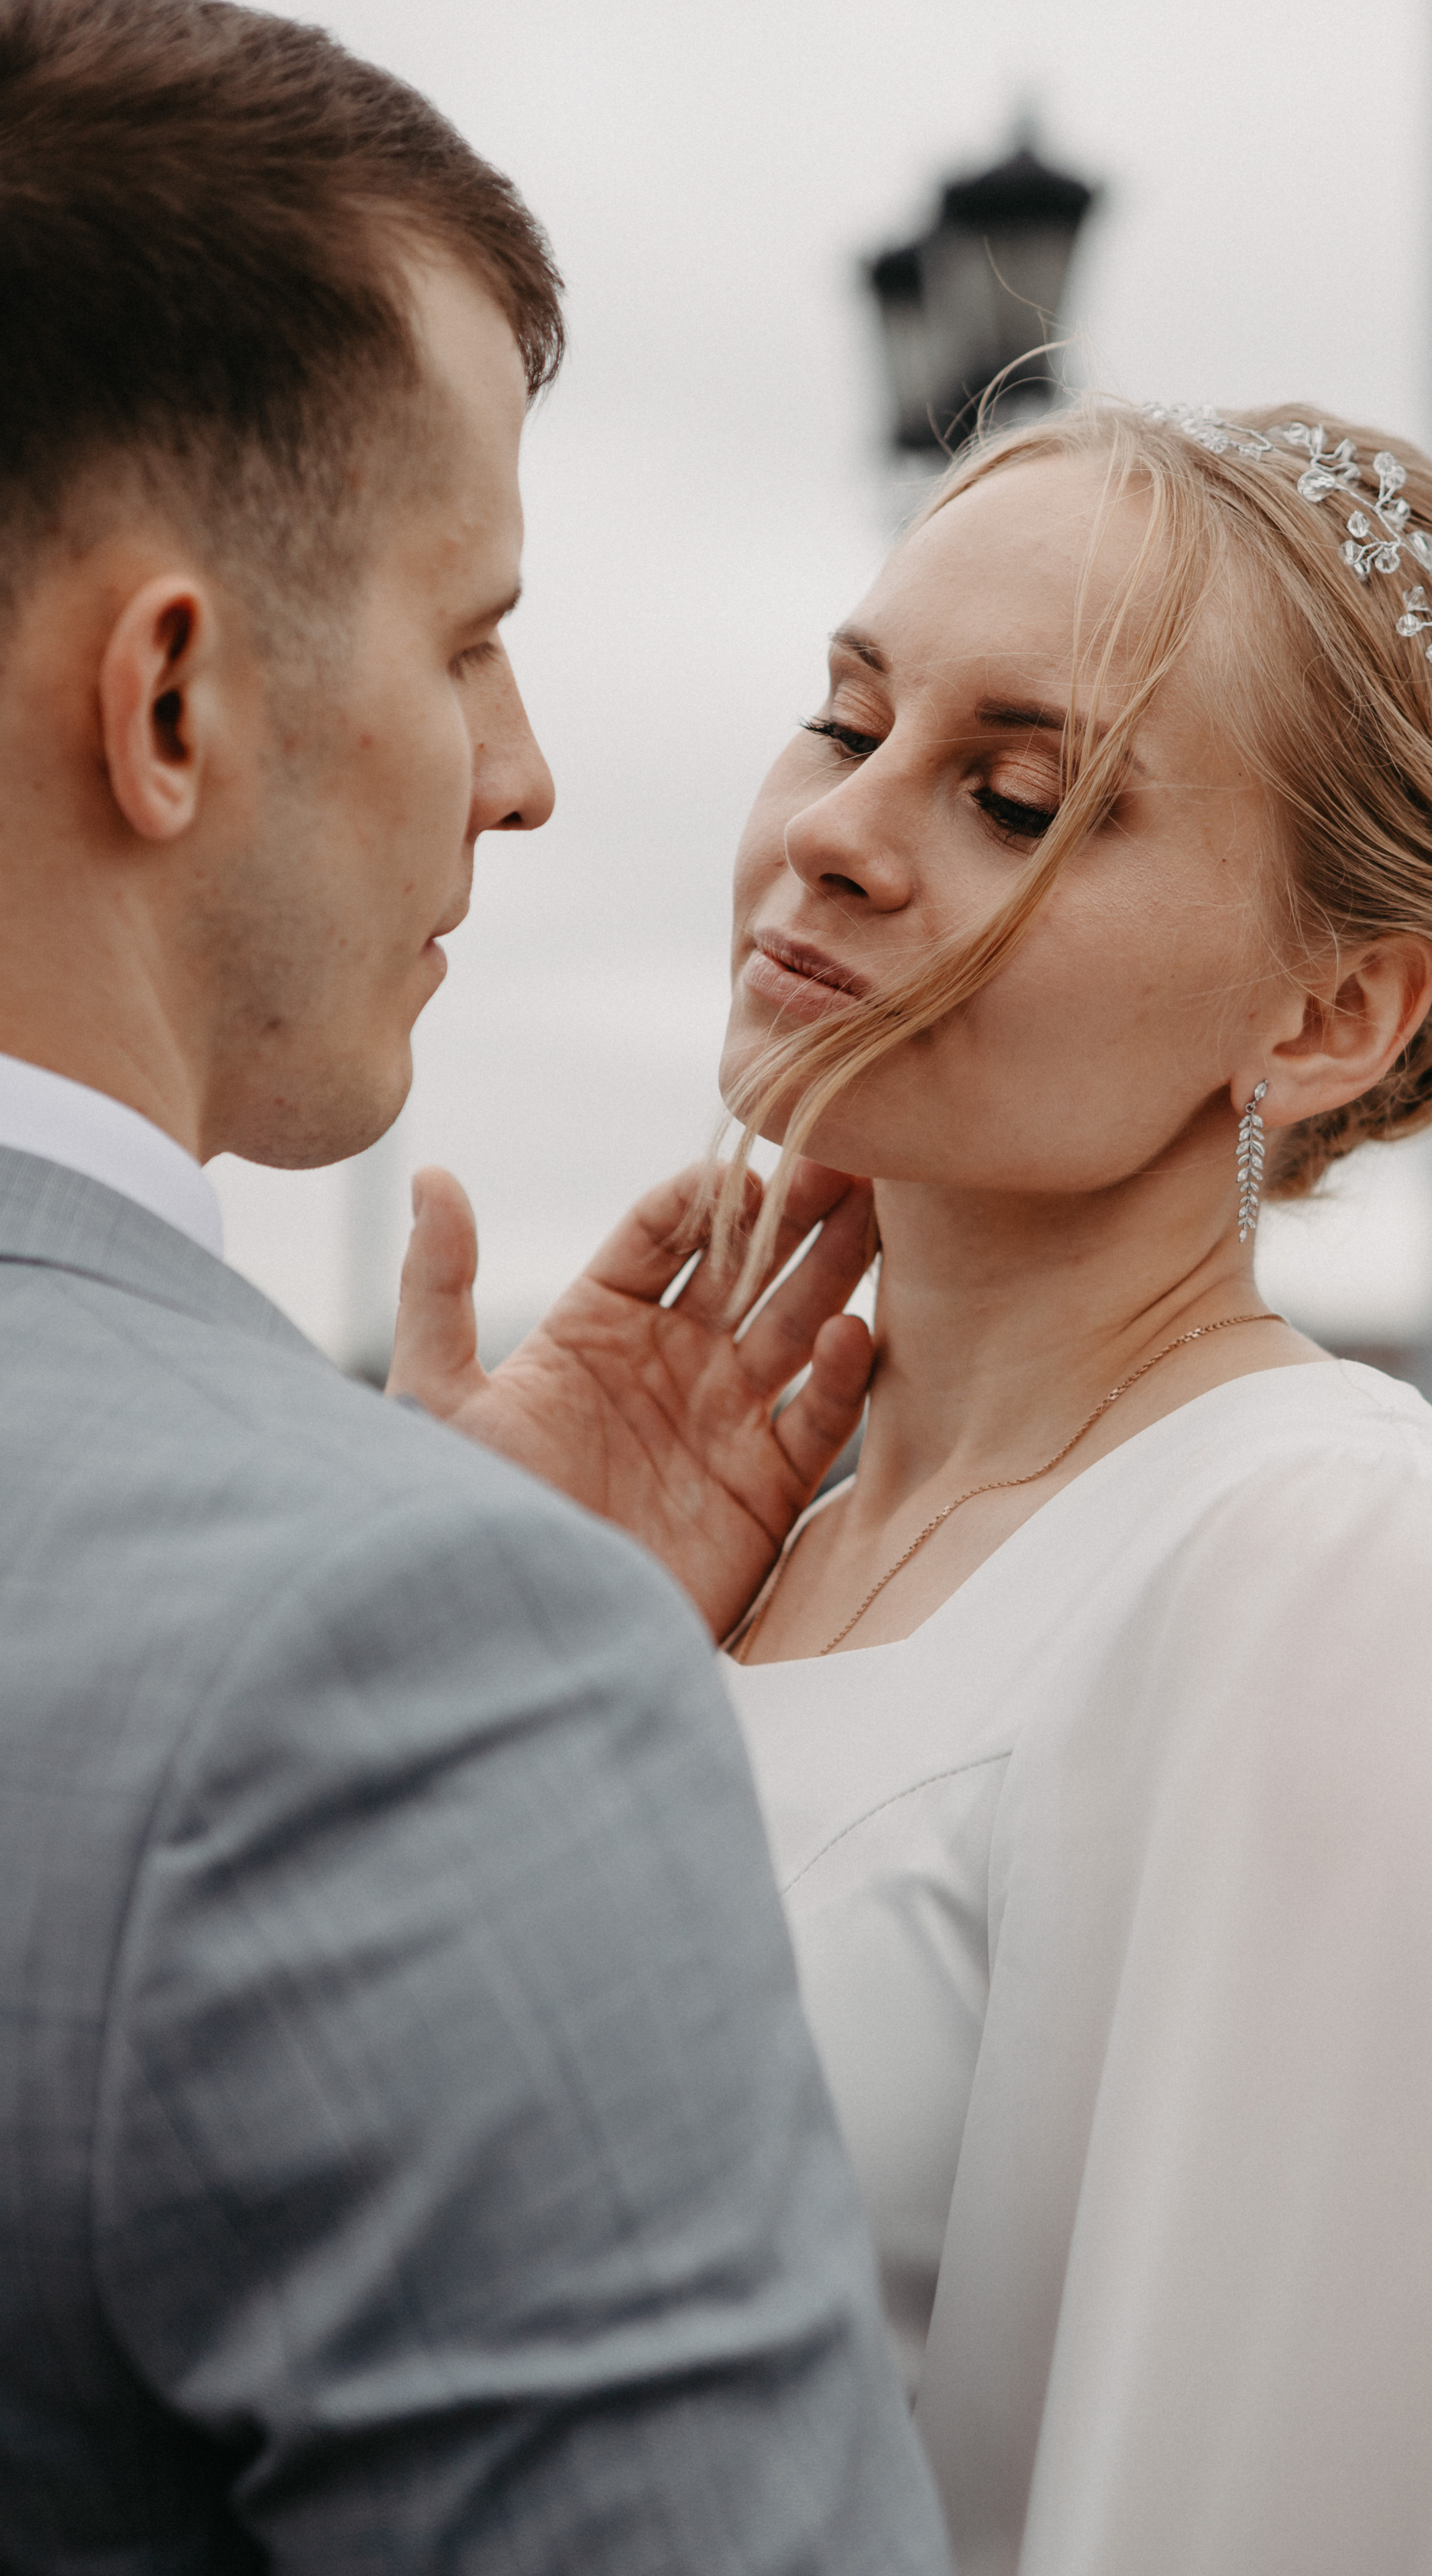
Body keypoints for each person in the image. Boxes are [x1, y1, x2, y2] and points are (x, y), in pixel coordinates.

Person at [0, 5, 948, 2571]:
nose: (521, 770)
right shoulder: (400, 1670)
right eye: (467, 635)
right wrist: (428, 1617)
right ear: (168, 696)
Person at [570, 399, 1432, 2574]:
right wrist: (515, 1626)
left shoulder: (1332, 1568)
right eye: (842, 719)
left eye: (1016, 796)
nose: (841, 836)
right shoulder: (736, 1545)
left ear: (1331, 1014)